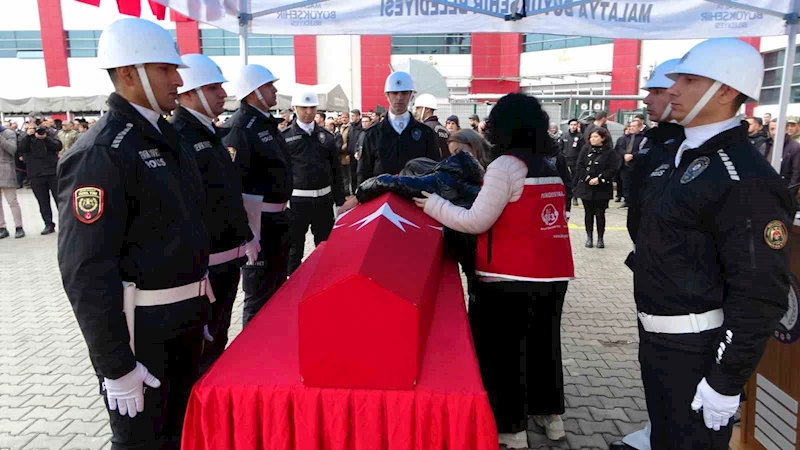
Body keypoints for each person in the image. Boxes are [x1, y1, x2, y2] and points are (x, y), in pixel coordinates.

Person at [57, 18, 213, 449]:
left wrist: (193, 310)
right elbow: (86, 270)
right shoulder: (101, 152)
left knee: (181, 436)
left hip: (181, 321)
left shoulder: (166, 135)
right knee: (143, 442)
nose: (178, 81)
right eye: (166, 69)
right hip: (141, 334)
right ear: (128, 73)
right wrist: (115, 365)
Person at [635, 38, 792, 450]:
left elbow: (761, 292)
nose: (672, 90)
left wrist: (726, 378)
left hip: (699, 350)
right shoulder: (681, 155)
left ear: (724, 90)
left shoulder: (745, 177)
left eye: (687, 80)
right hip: (659, 341)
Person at [413, 93, 574, 449]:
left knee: (505, 355)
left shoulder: (505, 166)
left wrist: (433, 204)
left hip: (508, 277)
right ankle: (551, 417)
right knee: (543, 346)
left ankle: (511, 429)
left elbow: (475, 220)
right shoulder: (549, 164)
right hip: (552, 275)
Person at [611, 57, 685, 450]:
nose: (649, 98)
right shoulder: (655, 141)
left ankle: (669, 431)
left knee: (676, 363)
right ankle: (657, 427)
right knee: (653, 356)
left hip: (679, 276)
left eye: (657, 90)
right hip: (650, 264)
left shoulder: (685, 147)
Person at [170, 54, 256, 374]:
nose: (222, 93)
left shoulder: (210, 132)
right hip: (205, 269)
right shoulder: (180, 136)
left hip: (226, 260)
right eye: (212, 87)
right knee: (202, 353)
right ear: (188, 93)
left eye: (220, 86)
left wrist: (246, 235)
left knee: (216, 341)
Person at [223, 64, 292, 327]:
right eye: (268, 85)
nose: (274, 90)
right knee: (258, 294)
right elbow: (233, 185)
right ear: (253, 91)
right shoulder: (241, 128)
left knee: (276, 289)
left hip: (277, 221)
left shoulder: (265, 124)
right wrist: (247, 233)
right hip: (258, 224)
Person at [283, 91, 345, 274]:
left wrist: (340, 202)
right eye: (304, 107)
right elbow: (281, 171)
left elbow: (336, 170)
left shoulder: (327, 136)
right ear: (295, 108)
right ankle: (292, 291)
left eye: (312, 107)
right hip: (297, 202)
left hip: (324, 201)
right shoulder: (285, 137)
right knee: (294, 249)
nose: (309, 112)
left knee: (325, 247)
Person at [356, 71, 439, 185]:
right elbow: (364, 173)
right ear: (387, 95)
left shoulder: (426, 133)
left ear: (411, 95)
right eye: (394, 93)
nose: (399, 97)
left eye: (404, 93)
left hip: (415, 199)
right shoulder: (371, 134)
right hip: (382, 198)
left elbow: (434, 170)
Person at [576, 127, 618, 249]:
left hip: (602, 188)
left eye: (595, 137)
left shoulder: (610, 152)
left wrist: (599, 179)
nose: (592, 139)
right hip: (586, 187)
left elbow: (613, 168)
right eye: (591, 137)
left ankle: (600, 238)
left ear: (602, 138)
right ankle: (589, 237)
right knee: (588, 213)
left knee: (600, 214)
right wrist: (588, 178)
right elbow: (580, 165)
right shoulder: (585, 149)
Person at [19, 124, 62, 235]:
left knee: (60, 199)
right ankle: (48, 224)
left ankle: (64, 223)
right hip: (35, 174)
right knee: (43, 201)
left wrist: (45, 137)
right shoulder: (26, 138)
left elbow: (58, 146)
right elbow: (21, 148)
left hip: (52, 172)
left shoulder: (50, 134)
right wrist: (28, 136)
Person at [0, 122, 23, 239]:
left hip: (6, 170)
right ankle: (2, 227)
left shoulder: (9, 133)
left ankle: (19, 227)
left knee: (12, 201)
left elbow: (12, 149)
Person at [761, 118, 800, 187]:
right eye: (772, 129)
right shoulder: (766, 145)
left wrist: (790, 193)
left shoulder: (795, 147)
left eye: (778, 129)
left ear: (786, 129)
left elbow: (796, 173)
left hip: (783, 187)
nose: (774, 133)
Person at [618, 118, 646, 208]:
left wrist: (633, 155)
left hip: (636, 164)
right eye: (631, 126)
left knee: (635, 184)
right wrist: (624, 154)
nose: (632, 128)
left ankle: (635, 201)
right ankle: (627, 200)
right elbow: (619, 148)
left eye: (634, 126)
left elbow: (643, 150)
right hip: (625, 164)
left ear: (639, 127)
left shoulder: (643, 138)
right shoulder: (625, 138)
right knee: (625, 184)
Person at [414, 93, 450, 159]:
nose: (416, 111)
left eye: (418, 108)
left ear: (427, 109)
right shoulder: (444, 129)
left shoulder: (425, 128)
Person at [561, 119, 585, 206]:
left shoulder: (580, 137)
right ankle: (565, 197)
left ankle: (575, 197)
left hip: (576, 162)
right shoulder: (564, 136)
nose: (573, 126)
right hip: (566, 162)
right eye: (571, 124)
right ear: (569, 125)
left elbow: (582, 151)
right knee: (566, 180)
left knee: (575, 180)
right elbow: (560, 149)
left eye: (575, 124)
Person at [341, 109, 363, 195]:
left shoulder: (361, 127)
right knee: (352, 174)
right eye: (351, 116)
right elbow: (349, 141)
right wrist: (347, 153)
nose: (351, 118)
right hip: (350, 154)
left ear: (358, 116)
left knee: (360, 174)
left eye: (353, 116)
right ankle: (353, 192)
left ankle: (360, 191)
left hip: (359, 155)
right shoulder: (351, 127)